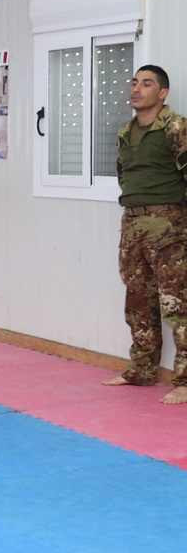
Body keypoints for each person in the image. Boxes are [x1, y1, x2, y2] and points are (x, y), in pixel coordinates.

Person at [103, 64, 187, 405]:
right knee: (138, 302)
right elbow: (126, 178)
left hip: (168, 229)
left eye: (147, 83)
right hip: (133, 225)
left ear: (162, 93)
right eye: (134, 82)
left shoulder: (176, 127)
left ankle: (184, 380)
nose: (137, 89)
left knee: (178, 305)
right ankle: (142, 369)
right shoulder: (125, 132)